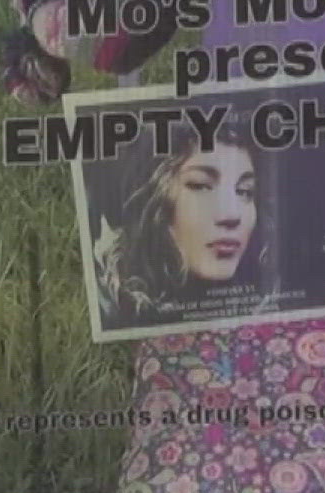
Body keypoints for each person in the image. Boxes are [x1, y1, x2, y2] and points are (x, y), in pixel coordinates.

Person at [93, 105, 278, 330]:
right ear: (154, 198)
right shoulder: (107, 310)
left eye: (245, 191)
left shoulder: (273, 304)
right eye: (200, 186)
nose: (232, 215)